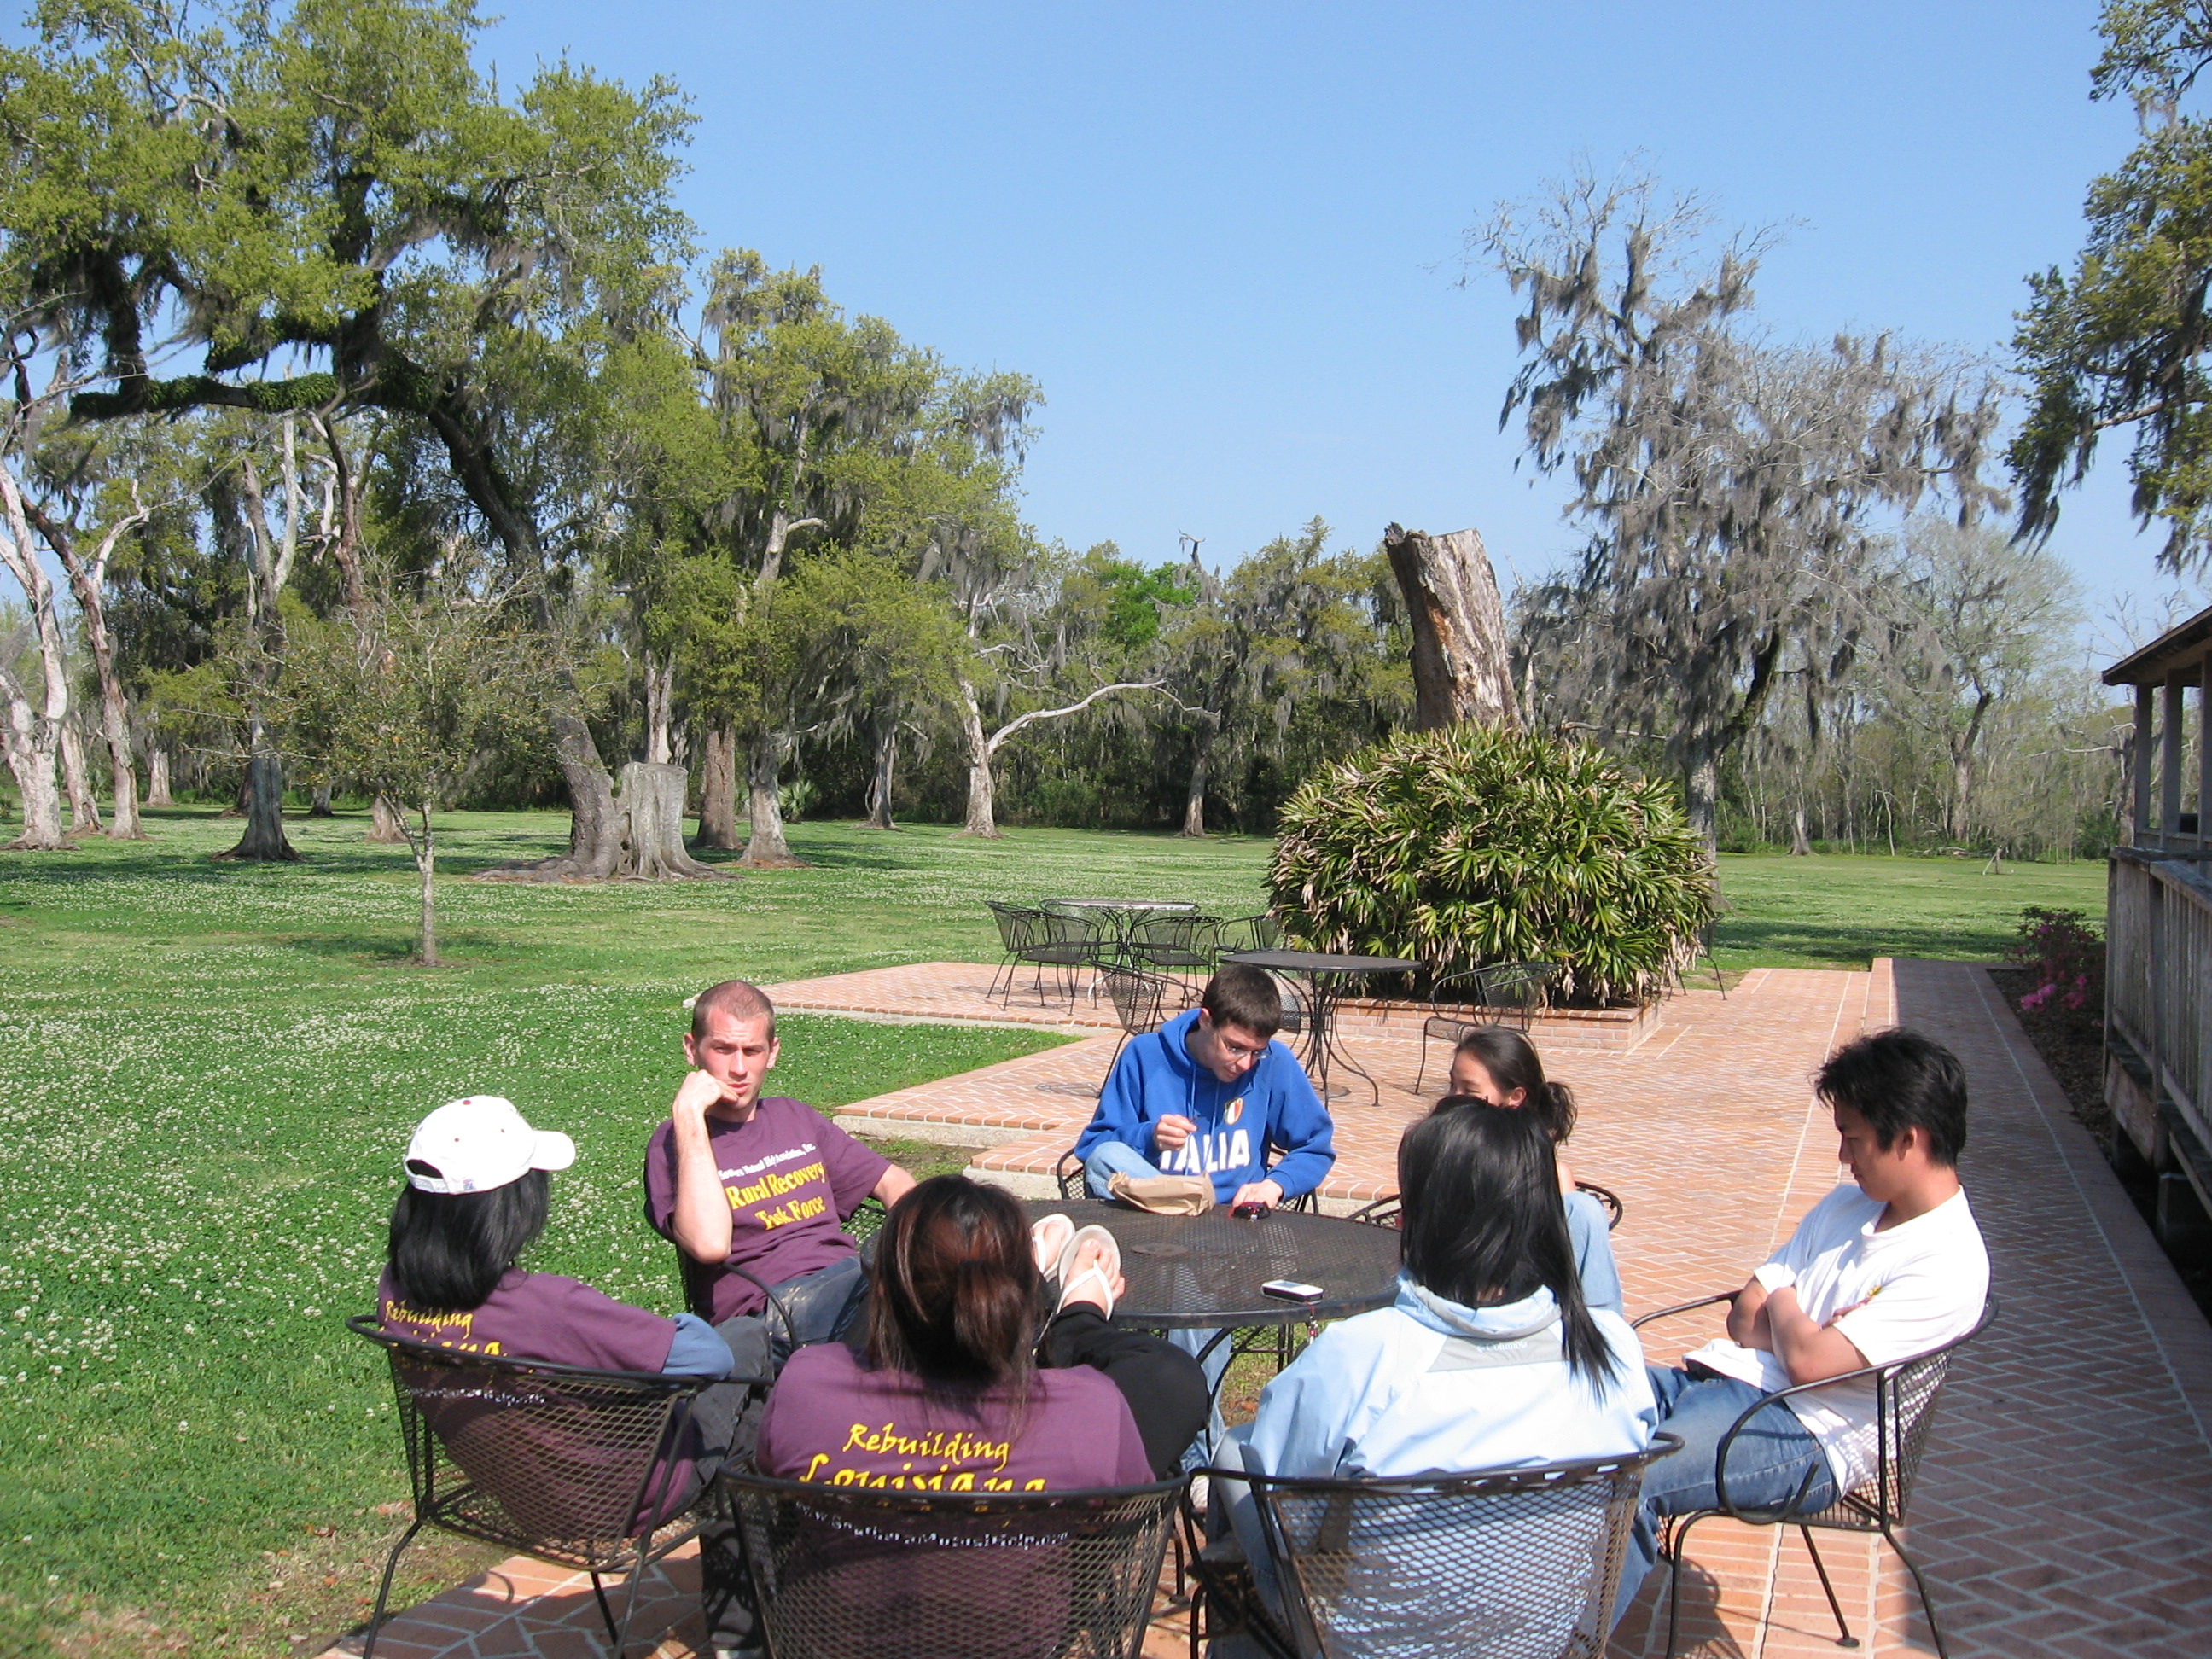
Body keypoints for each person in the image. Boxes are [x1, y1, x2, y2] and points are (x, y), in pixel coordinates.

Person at [1216, 1103, 1656, 1649]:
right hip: (1541, 1641)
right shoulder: (1612, 1349)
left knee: (1233, 1451)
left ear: (1422, 1220)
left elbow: (1293, 1520)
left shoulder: (1364, 1355)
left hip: (1364, 1645)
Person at [1620, 1027, 1992, 1615]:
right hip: (1722, 1382)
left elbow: (1808, 1365)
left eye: (1853, 1138)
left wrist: (1787, 1306)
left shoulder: (1948, 1262)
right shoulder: (1846, 1205)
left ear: (1909, 1138)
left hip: (1806, 1435)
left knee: (1630, 1480)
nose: (1843, 1157)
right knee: (1572, 1401)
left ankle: (1567, 1641)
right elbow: (1746, 1317)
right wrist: (1802, 1326)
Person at [375, 1095, 762, 1656]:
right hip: (623, 1494)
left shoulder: (394, 1288)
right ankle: (746, 1628)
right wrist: (680, 1323)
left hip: (516, 1492)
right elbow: (710, 1359)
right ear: (510, 1206)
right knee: (749, 1347)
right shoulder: (545, 1307)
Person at [756, 1176, 1172, 1489]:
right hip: (1035, 1586)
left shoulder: (806, 1385)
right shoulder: (1090, 1411)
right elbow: (1172, 1380)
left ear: (881, 1290)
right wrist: (1082, 1318)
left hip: (835, 1587)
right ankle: (1073, 1314)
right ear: (1020, 1301)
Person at [643, 979, 917, 1361]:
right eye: (723, 1049)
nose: (739, 1068)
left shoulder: (794, 1117)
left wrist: (921, 1249)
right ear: (692, 1049)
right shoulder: (676, 1143)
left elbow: (896, 1184)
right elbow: (709, 1245)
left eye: (752, 1051)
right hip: (770, 1312)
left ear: (772, 1053)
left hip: (848, 1283)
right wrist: (689, 1116)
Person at [1073, 961, 1336, 1210]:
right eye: (1235, 1047)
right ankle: (1180, 1211)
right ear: (1206, 1021)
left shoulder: (1274, 1062)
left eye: (1257, 1051)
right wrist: (1149, 1136)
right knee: (1107, 1155)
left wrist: (1274, 1185)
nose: (1246, 1064)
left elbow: (1315, 1147)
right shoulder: (1145, 1054)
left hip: (1233, 1219)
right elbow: (1094, 1148)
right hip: (1156, 1210)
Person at [1446, 1026, 1623, 1314]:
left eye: (1470, 1090)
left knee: (1584, 1210)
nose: (1454, 1097)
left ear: (1515, 1097)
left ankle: (1601, 1335)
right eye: (1452, 1085)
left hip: (1532, 1307)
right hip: (1452, 1301)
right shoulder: (1439, 1149)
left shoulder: (1549, 1176)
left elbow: (1568, 1266)